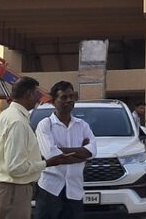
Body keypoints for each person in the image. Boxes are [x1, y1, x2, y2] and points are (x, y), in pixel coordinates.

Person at [0, 77, 75, 219]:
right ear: (28, 94)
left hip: (9, 188)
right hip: (14, 189)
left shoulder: (7, 115)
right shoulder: (17, 122)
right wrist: (47, 163)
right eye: (37, 94)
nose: (38, 98)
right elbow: (15, 168)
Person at [35, 81, 95, 219]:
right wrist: (81, 154)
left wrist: (61, 151)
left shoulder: (82, 125)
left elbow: (92, 151)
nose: (69, 100)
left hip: (75, 189)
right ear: (53, 101)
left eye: (71, 96)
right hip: (50, 190)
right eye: (63, 97)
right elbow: (51, 155)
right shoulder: (45, 125)